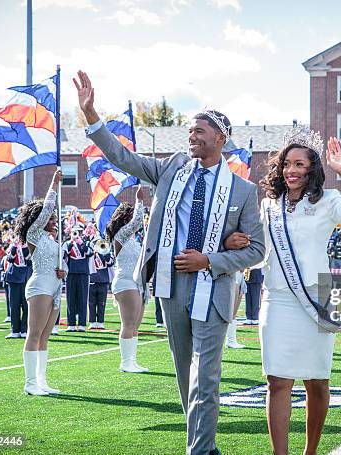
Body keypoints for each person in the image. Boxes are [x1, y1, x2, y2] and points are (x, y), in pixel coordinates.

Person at [75, 70, 265, 455]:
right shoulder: (172, 169)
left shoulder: (243, 191)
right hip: (171, 286)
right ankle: (203, 444)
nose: (192, 136)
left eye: (199, 131)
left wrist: (209, 259)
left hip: (213, 288)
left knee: (206, 376)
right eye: (190, 131)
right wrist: (91, 116)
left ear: (220, 138)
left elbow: (256, 250)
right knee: (186, 374)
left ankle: (199, 450)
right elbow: (122, 157)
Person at [227, 128, 341, 455]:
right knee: (277, 380)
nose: (291, 170)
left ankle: (310, 452)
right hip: (278, 299)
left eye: (299, 165)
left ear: (312, 169)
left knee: (317, 382)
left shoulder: (328, 201)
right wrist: (233, 241)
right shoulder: (268, 207)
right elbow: (254, 246)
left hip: (316, 297)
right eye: (287, 165)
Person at [14, 169, 66, 395]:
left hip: (54, 287)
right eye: (51, 218)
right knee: (34, 334)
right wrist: (54, 184)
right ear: (39, 221)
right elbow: (45, 211)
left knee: (45, 336)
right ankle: (30, 383)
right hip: (39, 287)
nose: (53, 221)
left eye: (54, 218)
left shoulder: (52, 239)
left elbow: (58, 263)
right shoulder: (34, 234)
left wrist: (62, 272)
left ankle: (42, 381)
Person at [106, 187, 149, 372]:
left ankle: (132, 360)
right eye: (130, 217)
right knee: (129, 324)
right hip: (125, 282)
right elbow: (137, 220)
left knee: (136, 325)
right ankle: (125, 362)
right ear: (124, 219)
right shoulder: (120, 235)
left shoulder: (133, 240)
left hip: (138, 283)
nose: (134, 221)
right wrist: (139, 200)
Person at [63, 228, 93, 332]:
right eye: (74, 232)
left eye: (78, 232)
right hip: (71, 273)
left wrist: (81, 243)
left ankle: (81, 324)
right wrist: (71, 243)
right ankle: (71, 324)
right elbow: (63, 256)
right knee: (70, 299)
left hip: (83, 273)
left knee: (82, 299)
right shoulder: (67, 244)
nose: (76, 234)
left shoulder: (86, 243)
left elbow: (90, 253)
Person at [4, 239, 32, 338]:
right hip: (13, 278)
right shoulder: (13, 246)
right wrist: (15, 246)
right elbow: (9, 258)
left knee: (26, 306)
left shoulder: (30, 245)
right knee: (14, 305)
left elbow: (29, 261)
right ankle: (15, 330)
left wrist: (24, 247)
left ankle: (25, 330)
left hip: (26, 278)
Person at [88, 240, 114, 329]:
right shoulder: (91, 255)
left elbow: (110, 263)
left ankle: (100, 322)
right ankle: (92, 322)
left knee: (101, 303)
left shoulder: (106, 254)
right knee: (91, 303)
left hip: (103, 281)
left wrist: (105, 252)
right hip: (92, 281)